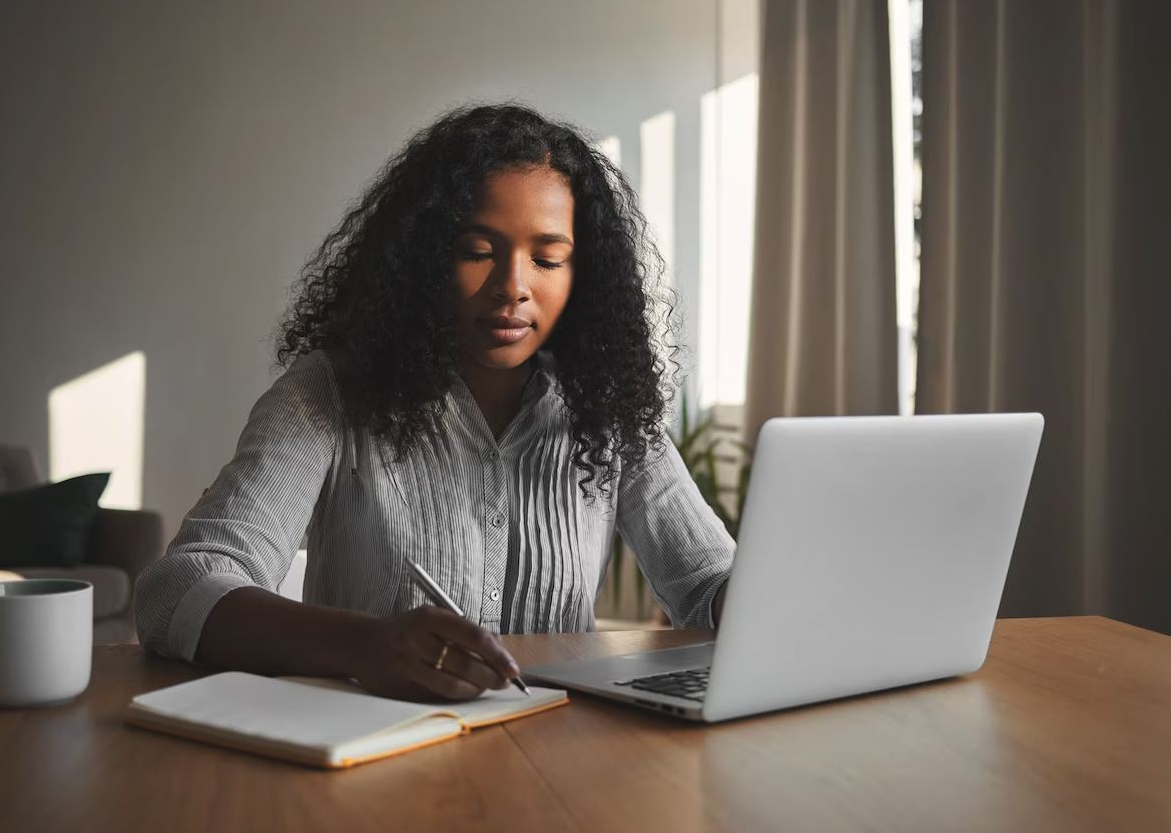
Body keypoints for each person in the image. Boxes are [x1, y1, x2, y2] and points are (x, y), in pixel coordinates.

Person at [133, 103, 735, 701]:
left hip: (553, 756)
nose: (513, 286)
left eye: (548, 259)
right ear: (421, 259)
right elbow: (178, 589)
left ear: (584, 275)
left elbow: (708, 581)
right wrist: (365, 646)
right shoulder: (331, 395)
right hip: (372, 755)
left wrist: (757, 599)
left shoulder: (605, 410)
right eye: (477, 251)